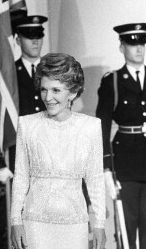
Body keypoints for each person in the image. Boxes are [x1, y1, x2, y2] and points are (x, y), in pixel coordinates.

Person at [11, 53, 106, 249]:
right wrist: (15, 221)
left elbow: (95, 180)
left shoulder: (91, 127)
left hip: (74, 225)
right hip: (35, 224)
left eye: (56, 90)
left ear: (72, 92)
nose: (48, 97)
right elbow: (21, 177)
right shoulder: (27, 125)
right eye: (44, 90)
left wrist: (99, 224)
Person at [96, 22, 146, 249]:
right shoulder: (113, 81)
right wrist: (106, 168)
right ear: (122, 47)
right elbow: (102, 125)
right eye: (132, 44)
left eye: (142, 43)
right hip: (126, 163)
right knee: (127, 226)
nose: (138, 49)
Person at [0, 14, 48, 183]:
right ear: (18, 40)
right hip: (22, 153)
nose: (35, 41)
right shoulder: (8, 75)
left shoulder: (55, 72)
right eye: (29, 36)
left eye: (39, 35)